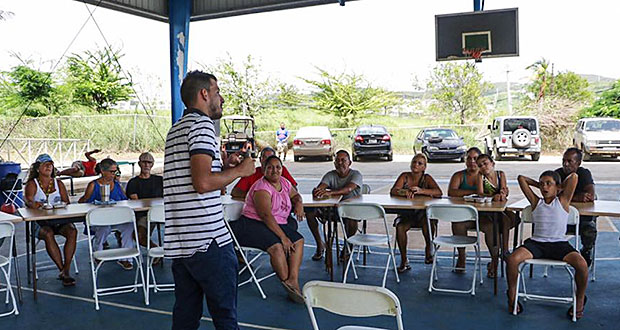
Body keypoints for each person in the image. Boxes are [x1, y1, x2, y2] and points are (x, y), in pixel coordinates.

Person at [163, 70, 255, 330]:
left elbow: (191, 175)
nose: (221, 99)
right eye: (217, 92)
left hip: (182, 244)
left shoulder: (176, 129)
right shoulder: (202, 126)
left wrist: (223, 166)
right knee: (225, 318)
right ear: (204, 94)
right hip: (208, 241)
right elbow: (202, 183)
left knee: (185, 317)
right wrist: (239, 171)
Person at [508, 171, 588, 320]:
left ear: (557, 187)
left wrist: (560, 187)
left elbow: (574, 177)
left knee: (582, 265)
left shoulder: (563, 201)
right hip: (537, 244)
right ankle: (512, 295)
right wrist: (538, 184)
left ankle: (580, 299)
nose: (544, 187)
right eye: (541, 184)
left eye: (548, 184)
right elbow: (521, 178)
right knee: (512, 259)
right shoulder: (536, 201)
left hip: (559, 245)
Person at [230, 155, 305, 303]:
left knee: (299, 241)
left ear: (282, 169)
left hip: (277, 222)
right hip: (252, 224)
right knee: (276, 247)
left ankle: (293, 280)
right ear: (263, 170)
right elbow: (265, 216)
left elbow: (295, 195)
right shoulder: (261, 187)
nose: (274, 170)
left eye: (278, 167)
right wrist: (283, 237)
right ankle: (289, 287)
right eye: (270, 167)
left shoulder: (284, 182)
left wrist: (299, 202)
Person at [24, 154, 77, 286]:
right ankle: (62, 270)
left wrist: (59, 205)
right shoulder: (32, 184)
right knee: (48, 234)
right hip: (40, 222)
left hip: (58, 220)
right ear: (37, 168)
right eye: (45, 164)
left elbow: (66, 202)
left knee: (72, 231)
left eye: (50, 164)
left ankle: (67, 268)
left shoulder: (58, 183)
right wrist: (33, 204)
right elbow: (28, 201)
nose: (48, 166)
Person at [78, 157, 135, 270]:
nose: (114, 174)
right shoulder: (93, 185)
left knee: (129, 226)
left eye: (116, 171)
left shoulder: (117, 185)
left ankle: (126, 258)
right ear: (103, 171)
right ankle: (98, 253)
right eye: (112, 171)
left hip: (116, 217)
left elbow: (125, 200)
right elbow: (83, 201)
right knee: (104, 228)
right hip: (98, 219)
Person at [307, 150, 363, 261]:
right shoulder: (330, 175)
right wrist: (318, 191)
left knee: (352, 218)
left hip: (350, 210)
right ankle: (320, 244)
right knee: (309, 212)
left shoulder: (356, 174)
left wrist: (331, 192)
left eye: (343, 160)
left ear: (349, 162)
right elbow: (322, 186)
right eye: (337, 160)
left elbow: (349, 189)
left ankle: (348, 246)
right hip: (332, 210)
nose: (340, 163)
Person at [389, 153, 442, 272]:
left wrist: (421, 191)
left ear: (424, 167)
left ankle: (428, 250)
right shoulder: (405, 176)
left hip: (423, 214)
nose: (416, 165)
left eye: (419, 163)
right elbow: (393, 191)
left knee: (428, 223)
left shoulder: (426, 178)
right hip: (407, 214)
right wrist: (404, 192)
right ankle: (404, 259)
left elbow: (438, 192)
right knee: (400, 227)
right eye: (414, 162)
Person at [555, 148, 597, 266]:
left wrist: (565, 195)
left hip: (581, 220)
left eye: (569, 161)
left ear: (578, 163)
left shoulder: (584, 174)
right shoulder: (557, 174)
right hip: (560, 220)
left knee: (590, 227)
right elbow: (550, 195)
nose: (565, 164)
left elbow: (591, 195)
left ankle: (586, 251)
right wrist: (576, 197)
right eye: (564, 161)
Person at [476, 153, 514, 278]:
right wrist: (493, 197)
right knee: (493, 229)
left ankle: (505, 250)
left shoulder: (500, 174)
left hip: (500, 208)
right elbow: (480, 193)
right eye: (480, 165)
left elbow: (504, 189)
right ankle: (495, 259)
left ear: (492, 164)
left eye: (485, 163)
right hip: (487, 209)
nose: (483, 167)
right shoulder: (480, 177)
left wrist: (503, 193)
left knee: (507, 220)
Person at [448, 147, 483, 272]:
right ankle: (462, 256)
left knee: (492, 227)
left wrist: (463, 193)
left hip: (484, 217)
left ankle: (494, 261)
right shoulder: (459, 175)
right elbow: (452, 192)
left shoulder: (487, 175)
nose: (472, 161)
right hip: (465, 217)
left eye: (475, 158)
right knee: (457, 223)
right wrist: (476, 191)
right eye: (469, 158)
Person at [126, 152, 163, 249]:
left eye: (149, 162)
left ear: (152, 164)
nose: (146, 165)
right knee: (139, 236)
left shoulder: (160, 180)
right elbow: (136, 203)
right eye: (144, 162)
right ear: (139, 164)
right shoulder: (133, 182)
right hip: (142, 215)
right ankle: (155, 251)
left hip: (159, 212)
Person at [230, 147, 297, 199]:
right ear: (260, 159)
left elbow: (294, 189)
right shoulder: (252, 172)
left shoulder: (281, 170)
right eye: (264, 157)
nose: (267, 161)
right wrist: (257, 197)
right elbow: (235, 192)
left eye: (270, 158)